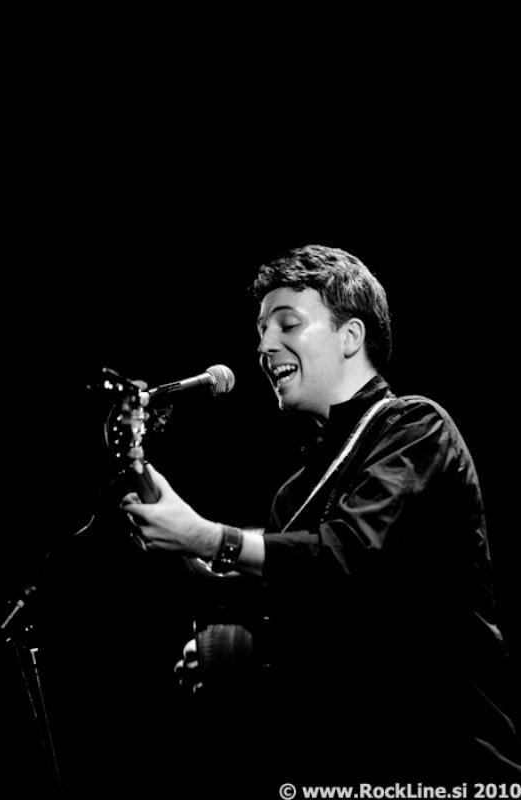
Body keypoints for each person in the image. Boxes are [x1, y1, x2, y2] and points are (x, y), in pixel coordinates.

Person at [122, 245, 521, 788]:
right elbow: (304, 622)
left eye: (287, 324)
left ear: (350, 336)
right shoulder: (295, 493)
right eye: (261, 329)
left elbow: (348, 555)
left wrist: (205, 536)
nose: (264, 345)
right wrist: (155, 501)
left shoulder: (415, 427)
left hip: (447, 765)